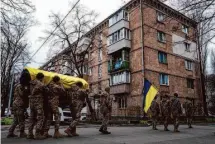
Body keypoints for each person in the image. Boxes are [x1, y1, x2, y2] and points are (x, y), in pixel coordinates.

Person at [7, 70, 31, 138]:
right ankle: (22, 133)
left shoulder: (18, 85)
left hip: (16, 104)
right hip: (19, 104)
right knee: (21, 119)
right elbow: (22, 94)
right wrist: (27, 91)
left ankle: (10, 132)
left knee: (16, 120)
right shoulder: (21, 86)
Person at [27, 73, 46, 139]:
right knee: (40, 117)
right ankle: (37, 134)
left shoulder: (31, 83)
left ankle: (29, 134)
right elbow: (46, 91)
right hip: (38, 103)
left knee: (32, 118)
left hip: (31, 102)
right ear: (41, 78)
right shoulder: (40, 84)